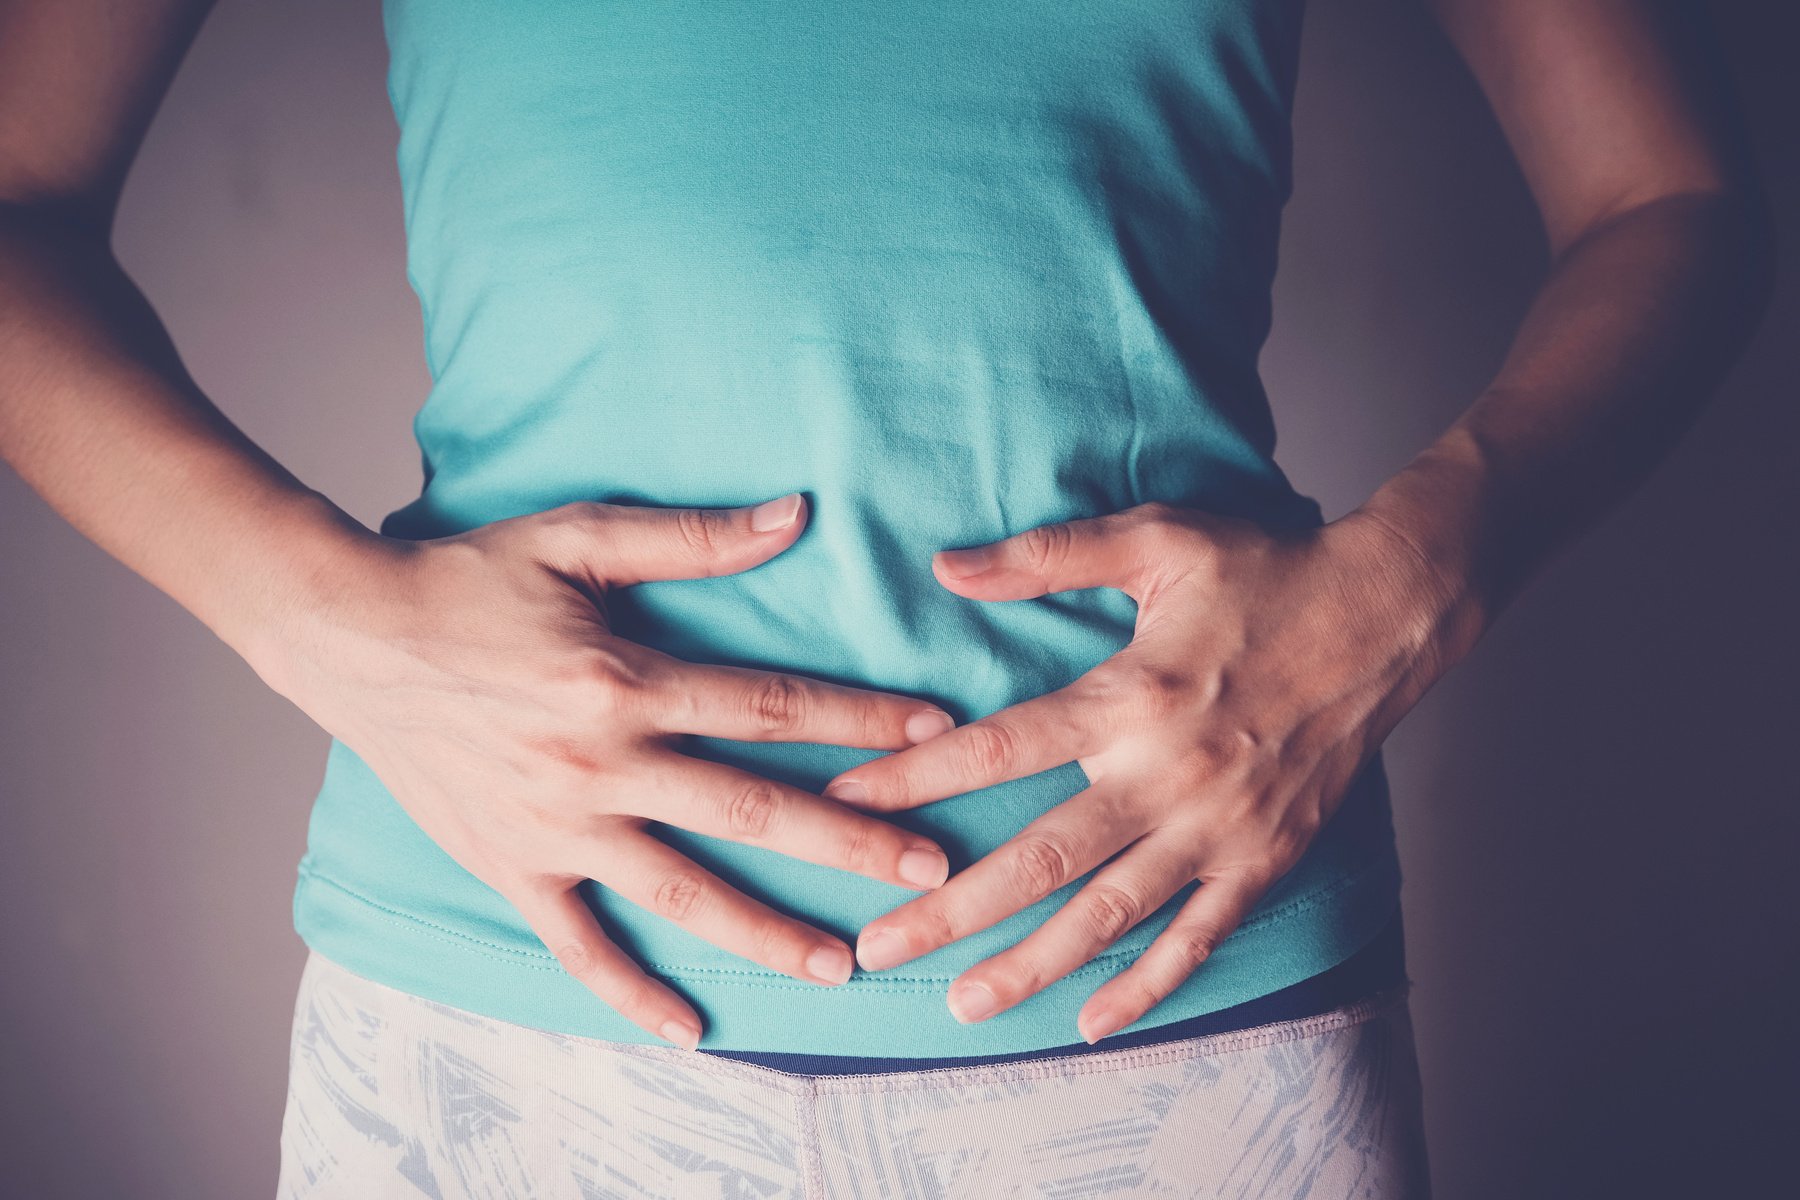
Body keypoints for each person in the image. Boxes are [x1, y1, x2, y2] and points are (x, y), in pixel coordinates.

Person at [0, 0, 1770, 1196]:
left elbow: (1666, 193)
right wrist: (337, 631)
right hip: (518, 1020)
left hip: (1182, 1017)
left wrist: (1400, 590)